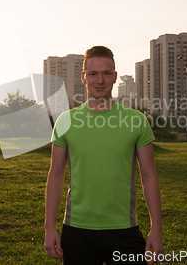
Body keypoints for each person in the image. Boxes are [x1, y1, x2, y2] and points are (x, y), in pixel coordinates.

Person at [44, 46, 163, 264]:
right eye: (93, 74)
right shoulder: (66, 121)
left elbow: (149, 176)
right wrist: (49, 226)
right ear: (83, 77)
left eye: (106, 73)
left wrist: (156, 229)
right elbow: (56, 175)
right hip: (77, 230)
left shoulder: (136, 121)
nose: (100, 80)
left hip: (124, 231)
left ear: (115, 77)